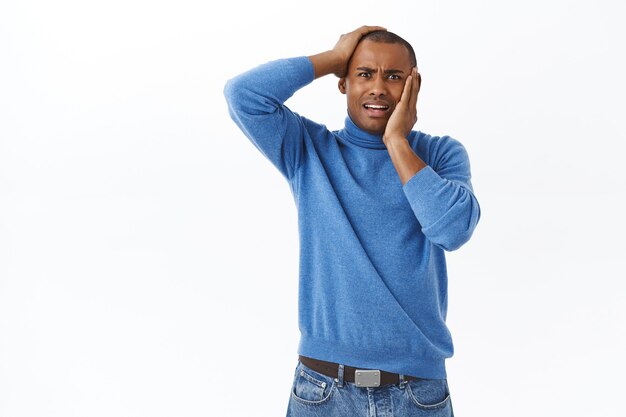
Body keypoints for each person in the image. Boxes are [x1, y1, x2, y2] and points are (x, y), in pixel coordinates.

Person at [223, 25, 480, 417]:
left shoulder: (440, 154)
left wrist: (397, 143)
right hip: (322, 391)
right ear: (343, 83)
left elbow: (453, 230)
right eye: (364, 73)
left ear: (413, 86)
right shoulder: (308, 150)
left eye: (394, 77)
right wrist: (331, 59)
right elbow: (243, 96)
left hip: (417, 394)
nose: (378, 87)